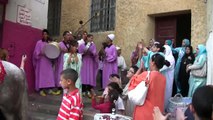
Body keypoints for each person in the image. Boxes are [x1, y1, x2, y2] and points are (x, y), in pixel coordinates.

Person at [128, 53, 167, 120]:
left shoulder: (147, 75)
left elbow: (131, 82)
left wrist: (140, 68)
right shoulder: (163, 78)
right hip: (157, 113)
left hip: (144, 111)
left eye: (150, 61)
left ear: (153, 63)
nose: (149, 62)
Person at [33, 29, 57, 96]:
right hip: (41, 61)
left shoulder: (49, 43)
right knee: (42, 75)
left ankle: (48, 89)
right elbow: (35, 53)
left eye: (46, 34)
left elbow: (53, 52)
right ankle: (41, 89)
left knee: (49, 75)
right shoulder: (39, 42)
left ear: (48, 35)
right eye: (43, 34)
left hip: (48, 61)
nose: (44, 35)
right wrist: (41, 53)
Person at [160, 45, 175, 110]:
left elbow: (165, 67)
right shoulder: (164, 56)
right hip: (163, 76)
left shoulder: (171, 58)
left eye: (165, 50)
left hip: (168, 77)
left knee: (167, 91)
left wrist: (158, 69)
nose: (164, 51)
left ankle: (165, 107)